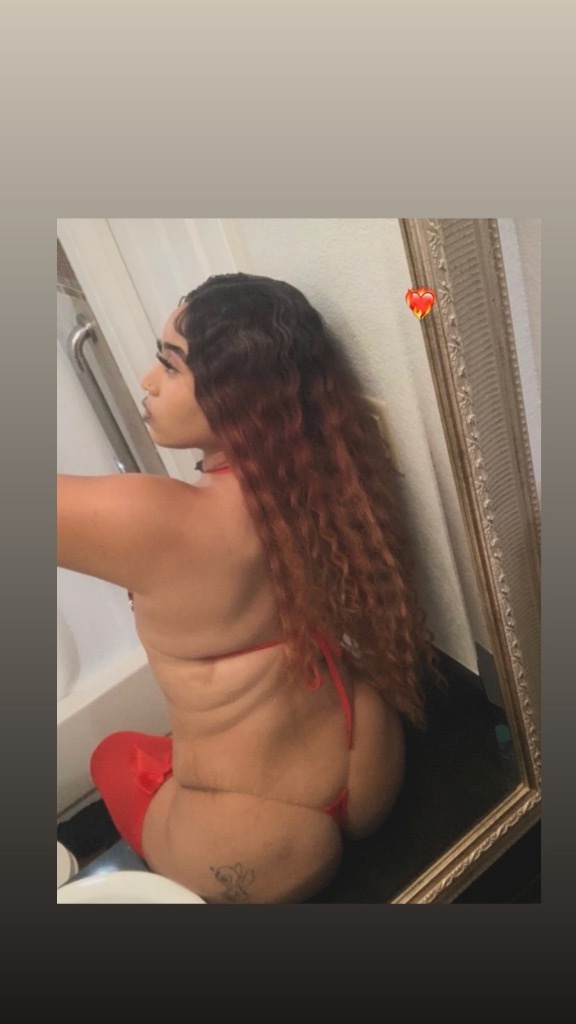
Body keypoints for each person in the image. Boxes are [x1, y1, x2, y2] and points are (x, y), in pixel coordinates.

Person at [57, 272, 434, 904]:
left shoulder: (155, 520)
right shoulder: (318, 465)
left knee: (113, 755)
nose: (147, 381)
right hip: (370, 756)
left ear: (237, 394)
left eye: (169, 365)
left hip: (258, 841)